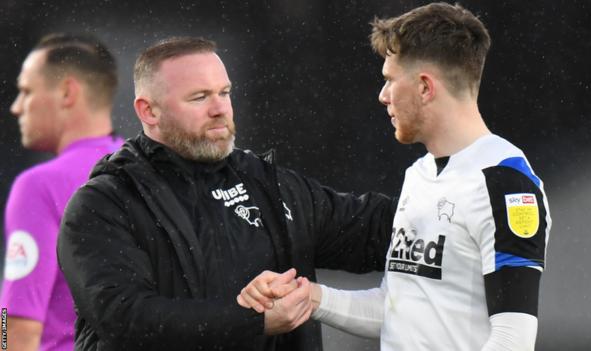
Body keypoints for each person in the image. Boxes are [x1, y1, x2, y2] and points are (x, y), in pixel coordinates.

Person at [238, 3, 552, 351]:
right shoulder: (419, 174)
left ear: (424, 87)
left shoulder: (506, 184)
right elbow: (401, 309)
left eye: (389, 80)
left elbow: (513, 339)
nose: (383, 95)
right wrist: (310, 298)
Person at [56, 37, 396, 351]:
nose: (220, 109)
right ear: (149, 111)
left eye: (225, 92)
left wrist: (444, 194)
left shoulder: (265, 183)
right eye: (200, 97)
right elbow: (127, 318)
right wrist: (253, 320)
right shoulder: (104, 203)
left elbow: (373, 231)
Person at [1, 34, 123, 351]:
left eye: (26, 91)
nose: (16, 107)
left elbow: (13, 324)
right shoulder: (151, 174)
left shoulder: (39, 186)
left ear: (67, 92)